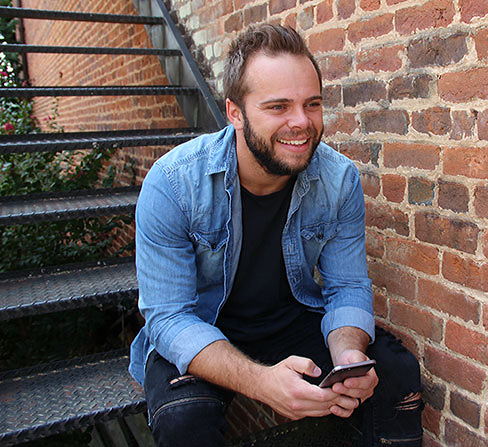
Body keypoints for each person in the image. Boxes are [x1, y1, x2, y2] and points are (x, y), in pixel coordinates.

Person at [128, 23, 423, 446]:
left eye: (312, 104)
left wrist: (347, 354)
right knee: (183, 419)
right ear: (234, 112)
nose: (301, 123)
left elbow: (348, 285)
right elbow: (169, 316)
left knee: (392, 372)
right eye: (278, 107)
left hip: (289, 320)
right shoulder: (173, 184)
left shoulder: (337, 179)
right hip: (202, 325)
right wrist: (262, 383)